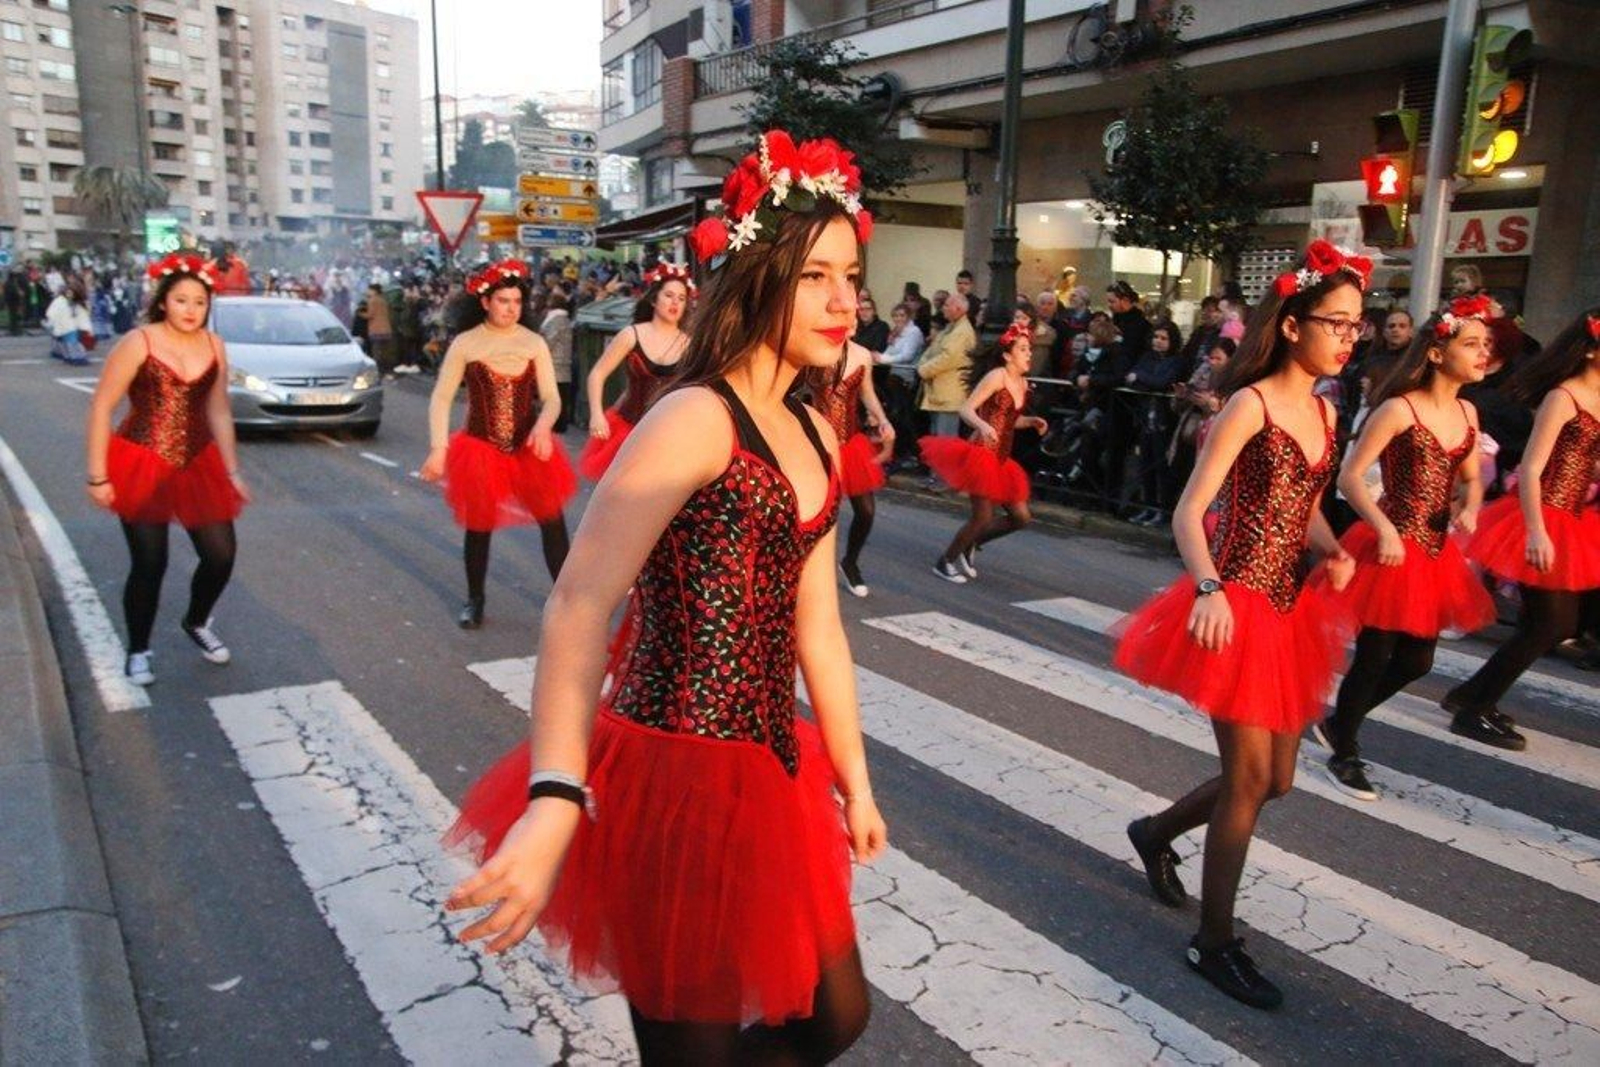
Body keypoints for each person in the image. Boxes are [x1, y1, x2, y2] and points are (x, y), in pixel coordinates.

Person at [442, 129, 886, 1063]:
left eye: (851, 276)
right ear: (758, 274)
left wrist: (854, 777)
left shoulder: (815, 425)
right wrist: (555, 794)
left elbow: (819, 626)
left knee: (836, 1015)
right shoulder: (693, 417)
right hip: (675, 774)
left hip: (774, 770)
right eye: (816, 276)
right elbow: (578, 603)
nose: (845, 301)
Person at [1114, 241, 1364, 1010]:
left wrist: (1333, 549)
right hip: (1236, 604)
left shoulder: (1327, 410)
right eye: (1335, 322)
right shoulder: (1249, 405)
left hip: (1288, 612)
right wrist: (1209, 587)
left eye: (1356, 325)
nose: (1348, 337)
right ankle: (1214, 941)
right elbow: (1191, 510)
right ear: (1291, 324)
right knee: (1250, 780)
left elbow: (1305, 506)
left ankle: (1156, 831)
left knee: (1275, 780)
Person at [1312, 297, 1497, 797]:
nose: (1483, 353)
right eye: (1471, 344)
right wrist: (1385, 528)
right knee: (1375, 656)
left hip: (1433, 552)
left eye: (1485, 344)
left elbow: (1470, 477)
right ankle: (1345, 750)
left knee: (1417, 662)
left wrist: (1470, 504)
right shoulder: (1399, 408)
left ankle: (1339, 722)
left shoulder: (1467, 412)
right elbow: (1350, 477)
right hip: (1388, 546)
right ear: (1437, 353)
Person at [84, 254, 249, 687]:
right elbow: (102, 407)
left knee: (221, 555)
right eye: (181, 300)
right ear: (163, 302)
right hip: (142, 459)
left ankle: (196, 621)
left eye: (200, 302)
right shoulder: (139, 342)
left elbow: (218, 409)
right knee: (150, 562)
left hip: (199, 461)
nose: (191, 310)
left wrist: (232, 470)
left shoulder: (214, 345)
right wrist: (98, 475)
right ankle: (138, 648)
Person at [1445, 308, 1600, 747]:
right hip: (1541, 514)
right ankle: (1473, 707)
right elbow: (1531, 468)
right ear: (1591, 350)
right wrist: (1536, 531)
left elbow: (1584, 463)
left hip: (1575, 518)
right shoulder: (1563, 397)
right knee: (1550, 625)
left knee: (1550, 624)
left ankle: (1471, 696)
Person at [421, 260, 576, 628]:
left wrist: (542, 428)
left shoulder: (533, 342)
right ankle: (475, 599)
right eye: (503, 301)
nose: (511, 308)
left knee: (552, 520)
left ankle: (567, 602)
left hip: (529, 446)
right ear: (485, 302)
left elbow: (552, 398)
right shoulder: (466, 343)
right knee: (478, 524)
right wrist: (439, 448)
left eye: (517, 301)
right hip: (480, 446)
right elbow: (441, 397)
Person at [922, 323, 1046, 582]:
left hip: (1002, 458)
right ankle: (945, 562)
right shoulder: (997, 376)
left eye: (1029, 349)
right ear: (1007, 355)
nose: (1029, 354)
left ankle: (973, 543)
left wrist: (1030, 421)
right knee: (983, 516)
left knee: (1021, 517)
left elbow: (1009, 420)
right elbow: (966, 410)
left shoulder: (1022, 383)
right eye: (1023, 349)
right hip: (982, 455)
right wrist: (983, 425)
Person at [577, 263, 692, 481]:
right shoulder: (631, 335)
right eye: (668, 295)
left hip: (671, 435)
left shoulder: (690, 344)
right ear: (654, 299)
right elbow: (597, 374)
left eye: (681, 298)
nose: (675, 303)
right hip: (629, 430)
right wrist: (597, 415)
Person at [808, 340, 893, 597]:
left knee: (866, 511)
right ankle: (806, 573)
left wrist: (883, 420)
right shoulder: (814, 347)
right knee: (820, 514)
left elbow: (867, 393)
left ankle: (850, 562)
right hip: (817, 442)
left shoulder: (862, 354)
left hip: (851, 444)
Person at [1126, 321, 1185, 526]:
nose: (1158, 342)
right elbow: (1130, 379)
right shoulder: (1147, 357)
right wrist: (1146, 380)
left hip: (1164, 421)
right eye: (1156, 337)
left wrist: (1142, 377)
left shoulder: (1177, 361)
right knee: (1145, 466)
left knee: (1162, 468)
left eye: (1163, 338)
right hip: (1146, 420)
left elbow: (1163, 383)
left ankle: (1163, 510)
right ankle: (1148, 507)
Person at [916, 291, 976, 440]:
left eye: (947, 305)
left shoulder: (962, 331)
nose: (943, 308)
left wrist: (923, 370)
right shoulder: (950, 328)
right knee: (936, 436)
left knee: (946, 439)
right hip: (938, 392)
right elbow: (931, 350)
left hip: (950, 394)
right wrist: (922, 364)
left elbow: (949, 358)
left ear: (958, 309)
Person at [540, 290, 575, 433]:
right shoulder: (563, 319)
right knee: (560, 394)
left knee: (555, 395)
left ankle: (557, 424)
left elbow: (550, 340)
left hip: (555, 363)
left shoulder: (556, 321)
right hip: (561, 363)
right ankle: (559, 423)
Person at [45, 277, 93, 366]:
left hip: (71, 326)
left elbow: (83, 315)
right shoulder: (61, 301)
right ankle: (75, 357)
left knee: (71, 342)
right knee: (70, 342)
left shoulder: (75, 303)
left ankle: (74, 357)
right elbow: (52, 312)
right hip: (67, 326)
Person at [364, 283, 396, 375]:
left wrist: (360, 313)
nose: (367, 292)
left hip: (376, 330)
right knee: (386, 352)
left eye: (369, 290)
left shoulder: (372, 300)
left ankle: (379, 372)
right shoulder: (384, 300)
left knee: (377, 352)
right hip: (387, 330)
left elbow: (370, 315)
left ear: (374, 291)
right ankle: (388, 371)